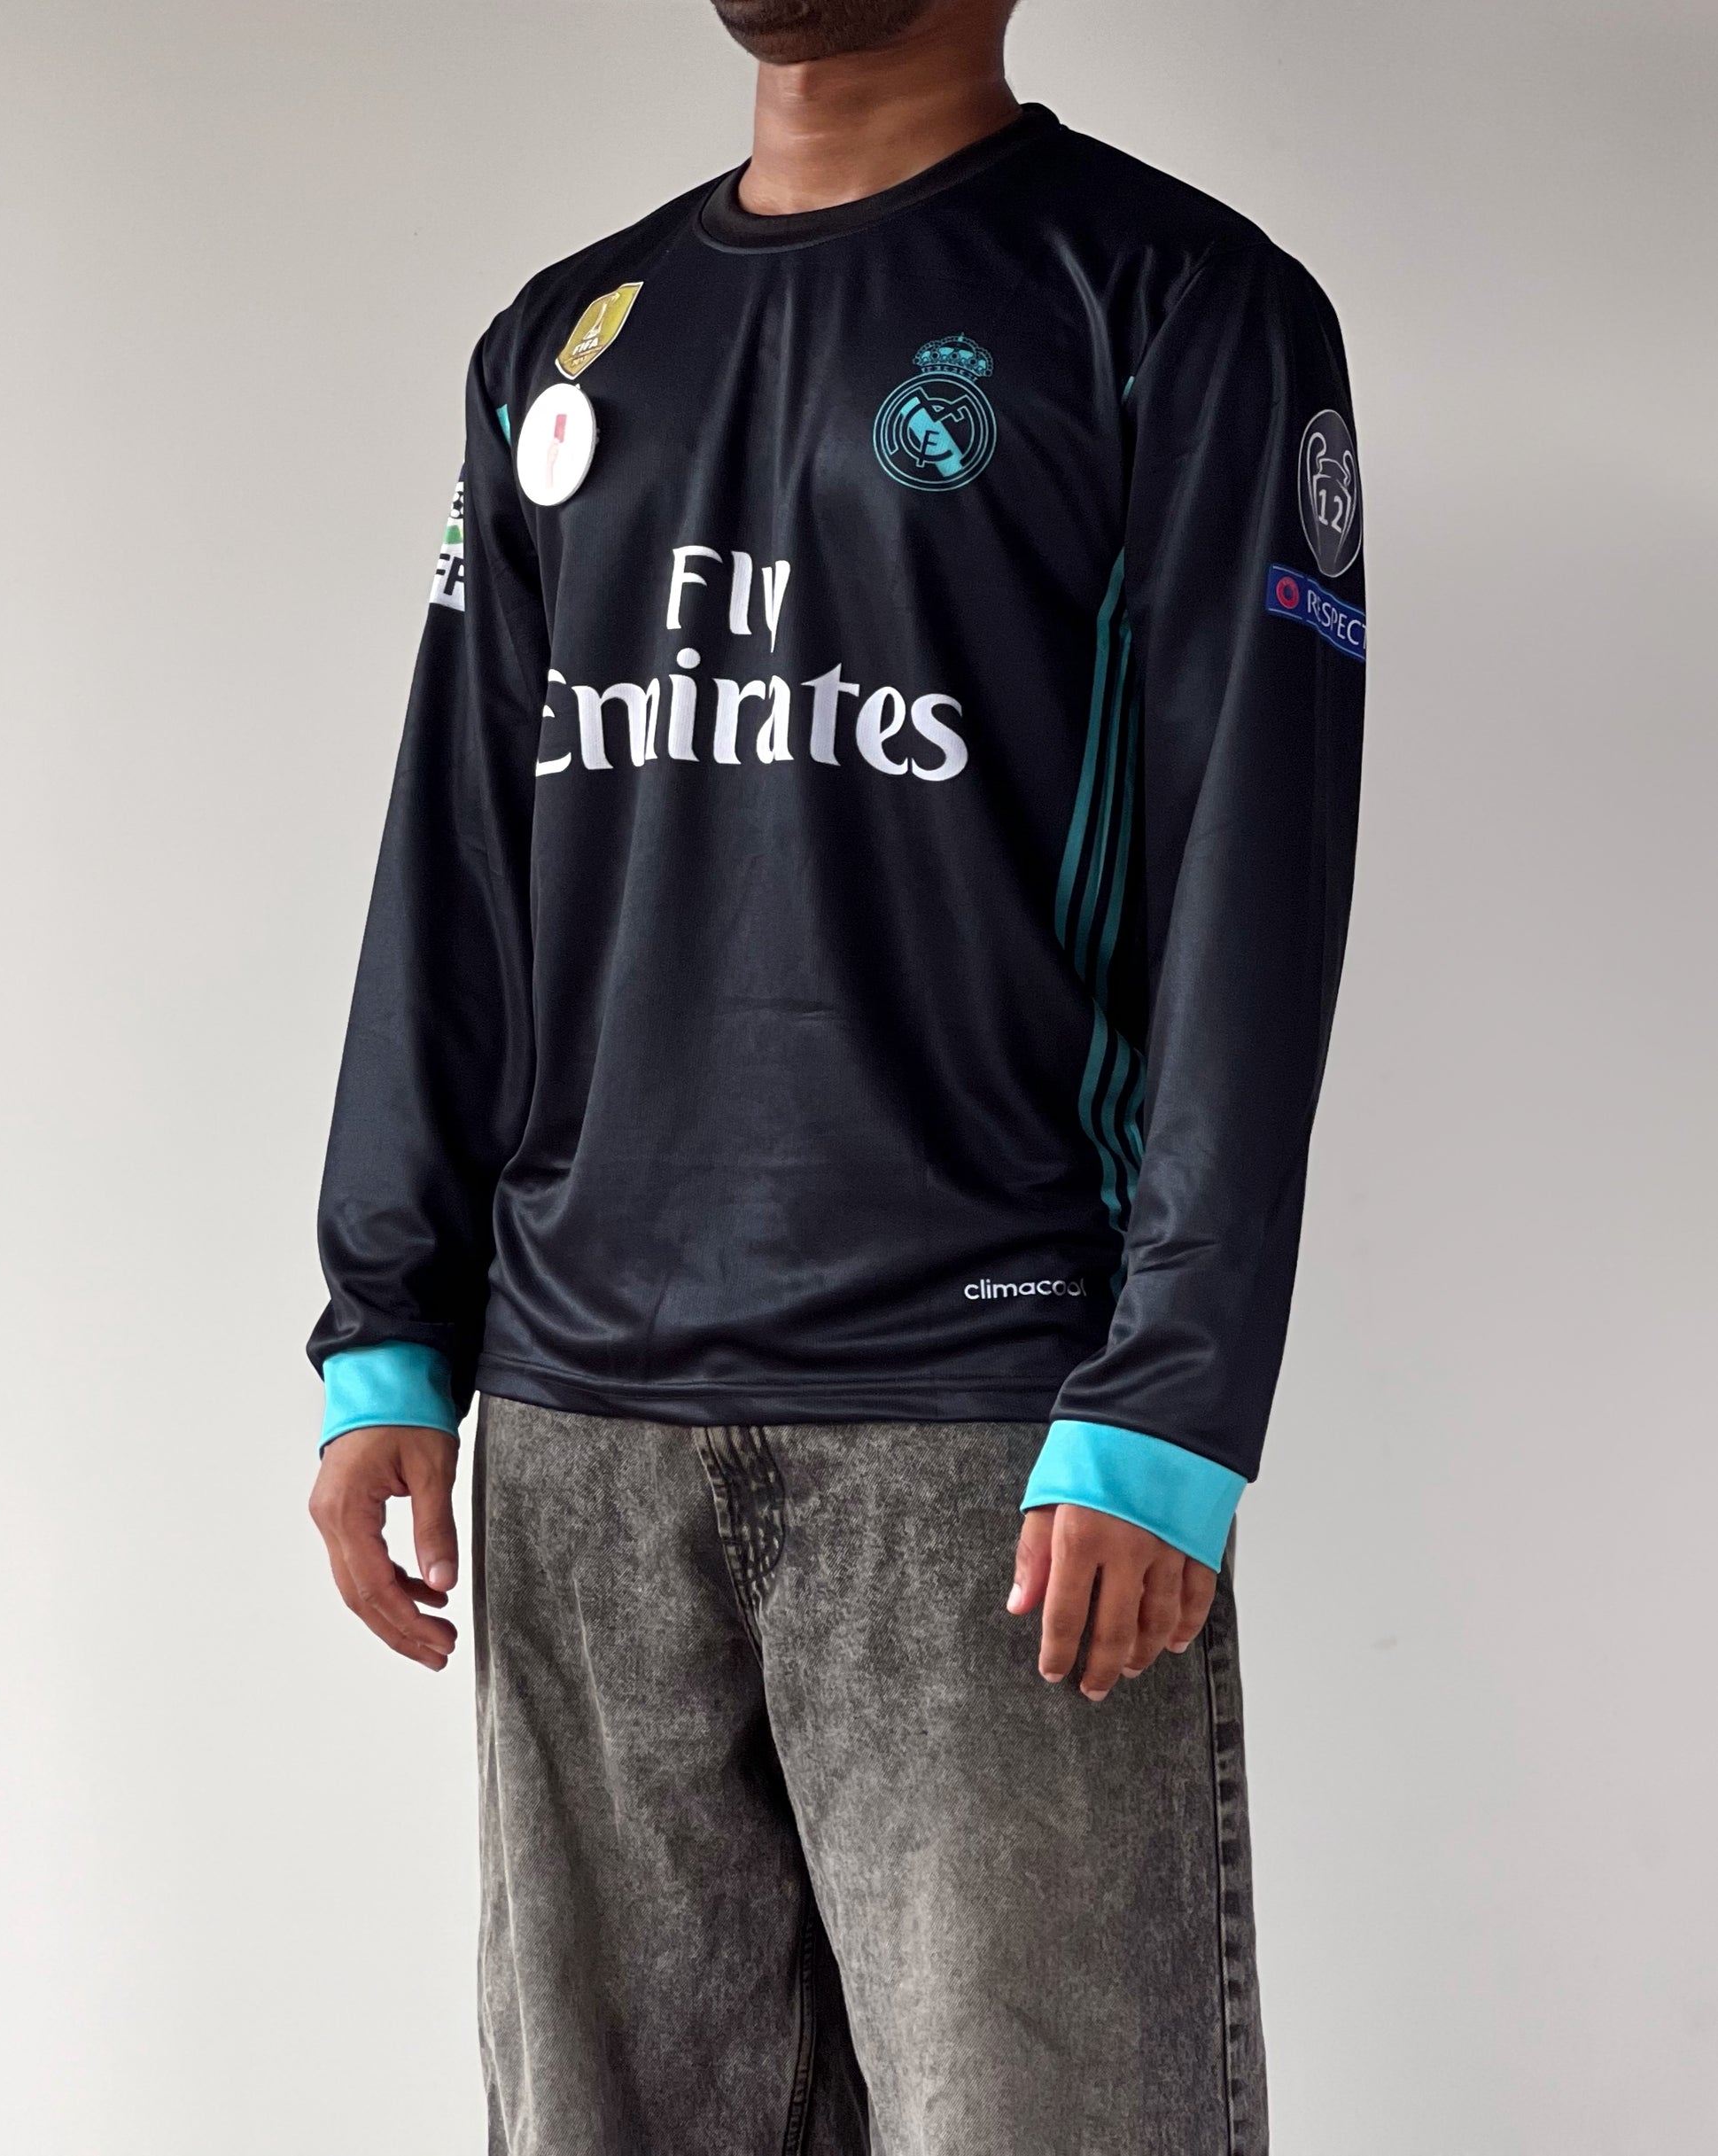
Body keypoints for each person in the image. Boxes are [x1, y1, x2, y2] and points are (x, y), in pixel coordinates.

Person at [307, 0, 1365, 2146]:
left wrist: (1171, 1397)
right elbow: (460, 846)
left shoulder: (1176, 302)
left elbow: (1253, 864)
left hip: (989, 1431)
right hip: (582, 1430)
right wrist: (386, 1323)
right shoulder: (561, 342)